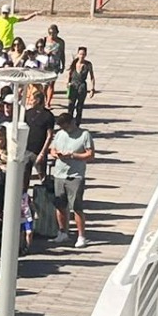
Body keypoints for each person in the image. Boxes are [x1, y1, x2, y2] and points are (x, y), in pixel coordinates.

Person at [48, 112, 96, 250]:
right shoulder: (59, 134)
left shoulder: (84, 135)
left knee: (76, 207)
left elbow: (90, 154)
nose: (64, 129)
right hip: (59, 173)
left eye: (66, 126)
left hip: (75, 175)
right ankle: (62, 231)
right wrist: (55, 154)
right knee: (60, 205)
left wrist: (73, 155)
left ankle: (81, 236)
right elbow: (52, 149)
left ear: (72, 122)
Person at [65, 46, 96, 111]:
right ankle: (69, 119)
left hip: (82, 86)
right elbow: (69, 74)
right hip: (73, 85)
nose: (82, 56)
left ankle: (78, 120)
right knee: (71, 105)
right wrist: (67, 83)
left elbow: (92, 77)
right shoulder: (74, 63)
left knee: (80, 106)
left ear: (85, 55)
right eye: (80, 54)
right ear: (78, 54)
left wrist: (92, 89)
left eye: (83, 54)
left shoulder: (88, 64)